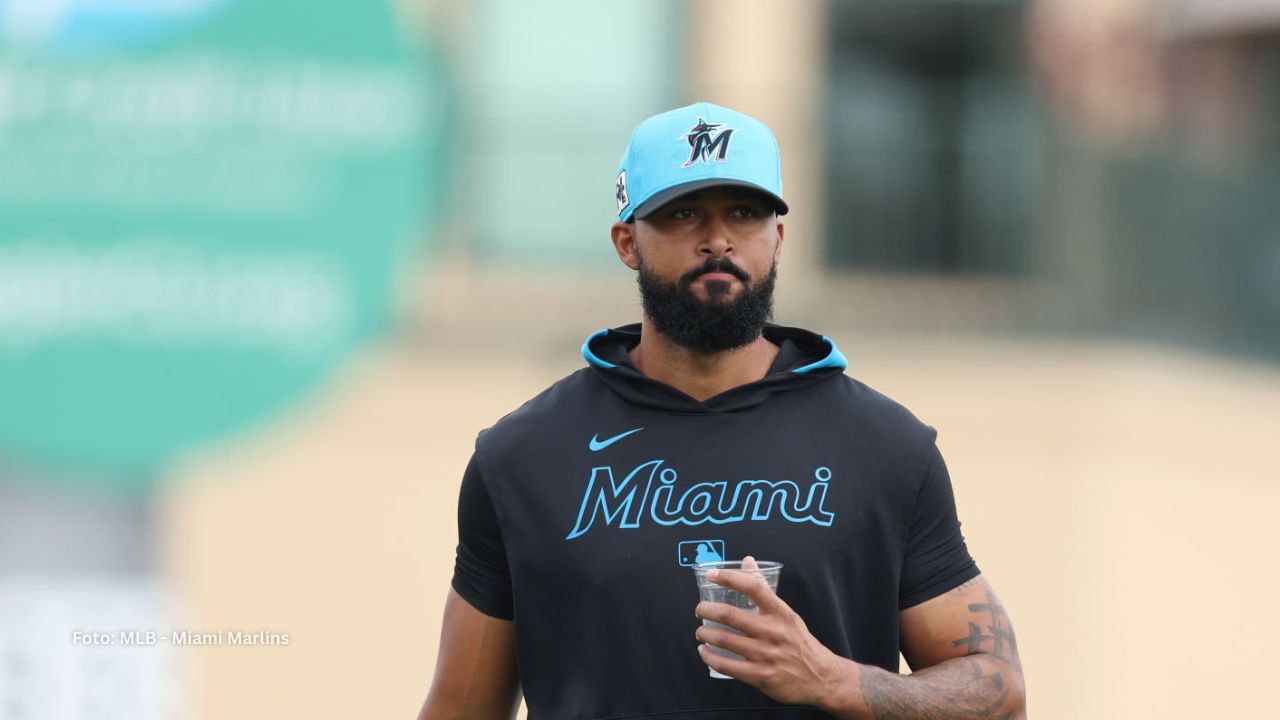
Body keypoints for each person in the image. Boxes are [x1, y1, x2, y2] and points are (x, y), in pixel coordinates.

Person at [417, 102, 1026, 720]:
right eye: (683, 214)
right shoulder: (523, 456)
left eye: (744, 212)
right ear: (628, 242)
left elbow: (1000, 694)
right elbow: (461, 708)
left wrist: (833, 680)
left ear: (778, 239)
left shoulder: (886, 447)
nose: (718, 240)